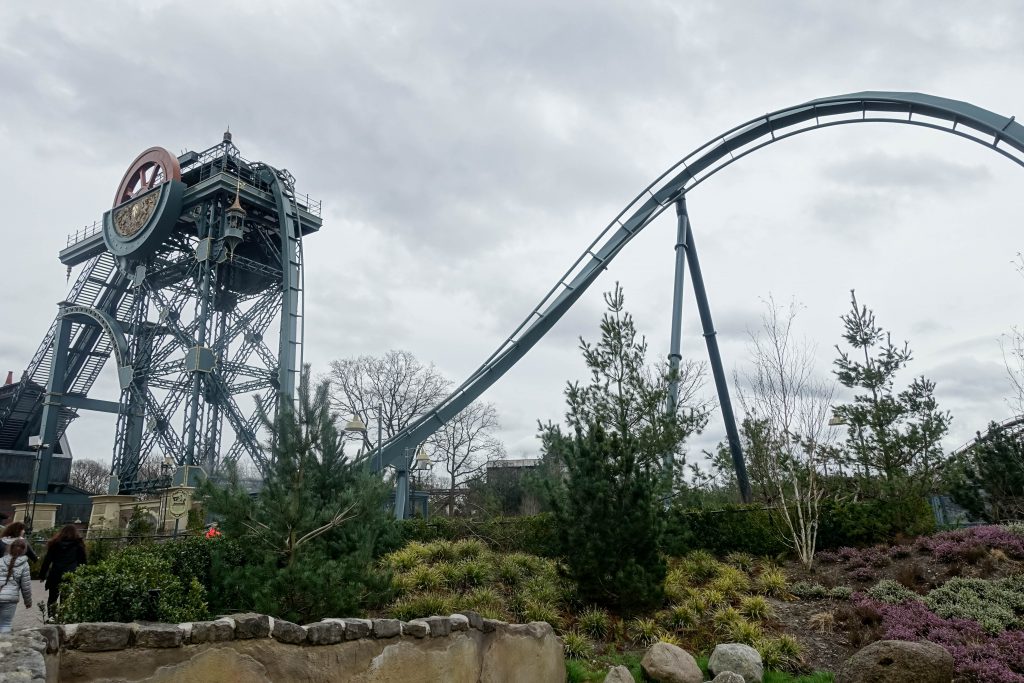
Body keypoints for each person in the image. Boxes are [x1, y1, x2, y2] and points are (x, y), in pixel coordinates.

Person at [39, 525, 87, 610]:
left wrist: (42, 575)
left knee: (52, 597)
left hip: (56, 573)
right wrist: (84, 575)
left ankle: (51, 617)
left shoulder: (54, 544)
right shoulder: (78, 545)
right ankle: (63, 617)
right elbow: (83, 562)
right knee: (66, 598)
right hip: (70, 574)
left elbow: (47, 560)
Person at [0, 539, 32, 633]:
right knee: (6, 623)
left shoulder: (1, 560)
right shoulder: (25, 565)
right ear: (24, 550)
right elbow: (26, 586)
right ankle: (4, 646)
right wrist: (28, 601)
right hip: (10, 598)